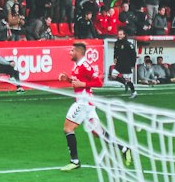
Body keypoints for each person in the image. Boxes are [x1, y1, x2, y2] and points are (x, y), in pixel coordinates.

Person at [59, 40, 132, 172]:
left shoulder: (85, 66)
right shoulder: (77, 65)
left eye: (72, 51)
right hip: (88, 104)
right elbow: (79, 82)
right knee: (98, 133)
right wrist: (68, 79)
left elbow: (98, 82)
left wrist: (83, 85)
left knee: (68, 128)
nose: (70, 52)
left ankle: (74, 161)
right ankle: (124, 148)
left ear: (79, 53)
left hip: (83, 103)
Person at [109, 31, 138, 96]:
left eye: (121, 34)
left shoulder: (128, 44)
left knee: (128, 79)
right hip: (119, 64)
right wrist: (115, 58)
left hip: (126, 64)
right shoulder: (116, 43)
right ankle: (124, 83)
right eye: (118, 34)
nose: (119, 35)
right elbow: (115, 52)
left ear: (124, 35)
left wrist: (133, 64)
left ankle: (133, 92)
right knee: (113, 75)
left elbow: (133, 55)